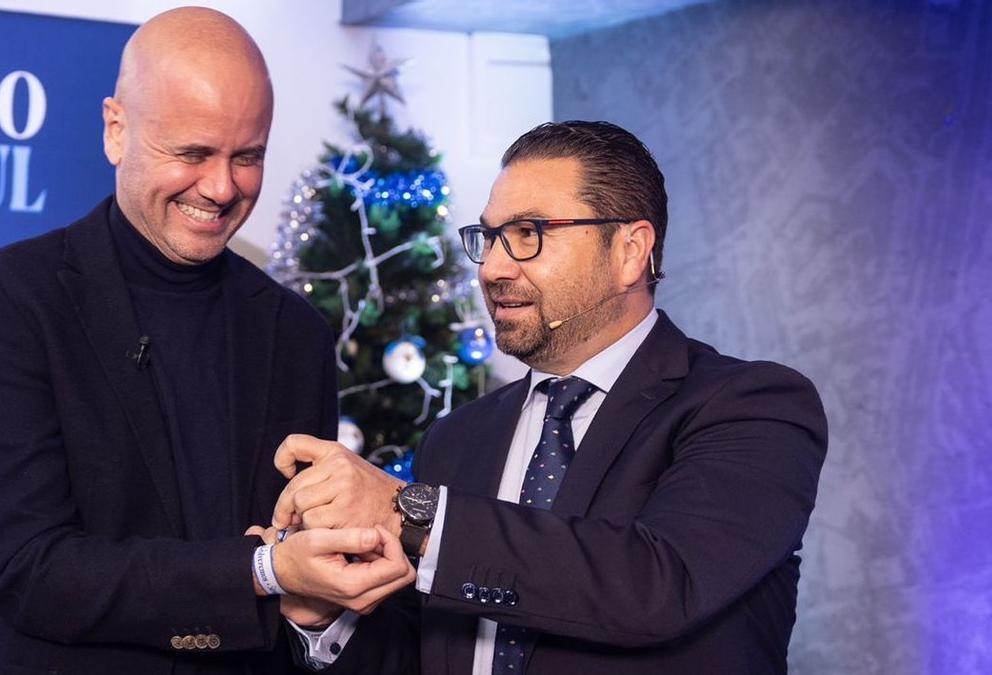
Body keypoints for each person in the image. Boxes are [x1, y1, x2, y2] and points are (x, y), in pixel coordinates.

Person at [0, 8, 413, 674]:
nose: (221, 188)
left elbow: (299, 569)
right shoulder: (8, 298)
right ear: (116, 130)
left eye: (247, 157)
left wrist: (318, 604)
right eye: (192, 153)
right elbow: (27, 568)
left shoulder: (295, 331)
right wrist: (263, 571)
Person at [270, 120, 829, 674]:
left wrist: (406, 510)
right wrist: (324, 617)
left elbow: (655, 584)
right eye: (489, 237)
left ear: (631, 251)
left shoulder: (753, 406)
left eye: (529, 233)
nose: (492, 268)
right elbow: (428, 653)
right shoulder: (458, 436)